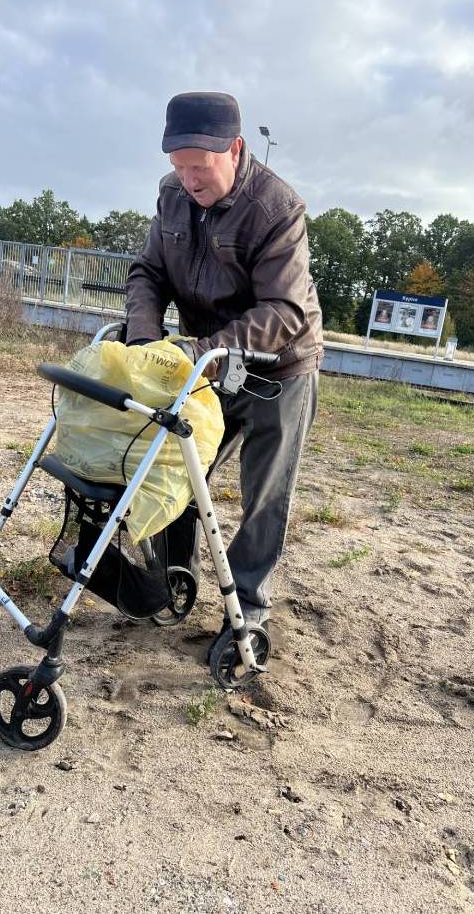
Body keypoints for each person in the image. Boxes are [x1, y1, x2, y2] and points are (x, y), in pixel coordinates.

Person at [124, 91, 324, 634]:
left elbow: (284, 310)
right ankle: (171, 579)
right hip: (201, 363)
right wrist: (146, 340)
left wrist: (201, 352)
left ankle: (249, 602)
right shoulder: (171, 197)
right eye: (179, 167)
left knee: (265, 493)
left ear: (234, 149)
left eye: (200, 166)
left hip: (277, 368)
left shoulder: (277, 210)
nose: (189, 180)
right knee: (176, 470)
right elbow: (148, 273)